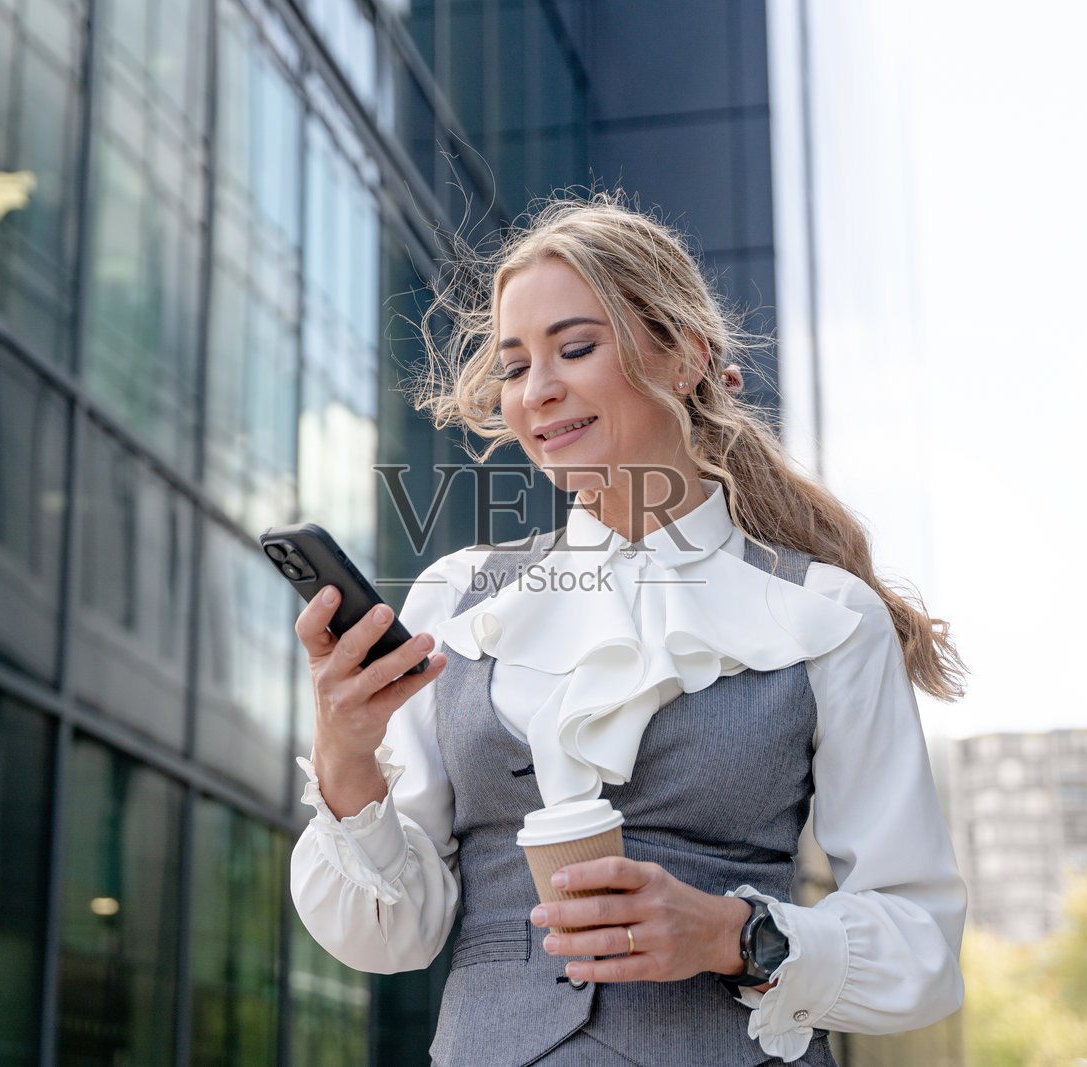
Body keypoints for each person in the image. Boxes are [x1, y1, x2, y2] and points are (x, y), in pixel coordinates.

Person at [288, 193, 967, 1067]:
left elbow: (923, 943)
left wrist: (735, 934)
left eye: (576, 348)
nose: (538, 391)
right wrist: (345, 755)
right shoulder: (458, 596)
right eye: (515, 363)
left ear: (684, 356)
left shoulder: (828, 617)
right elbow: (392, 937)